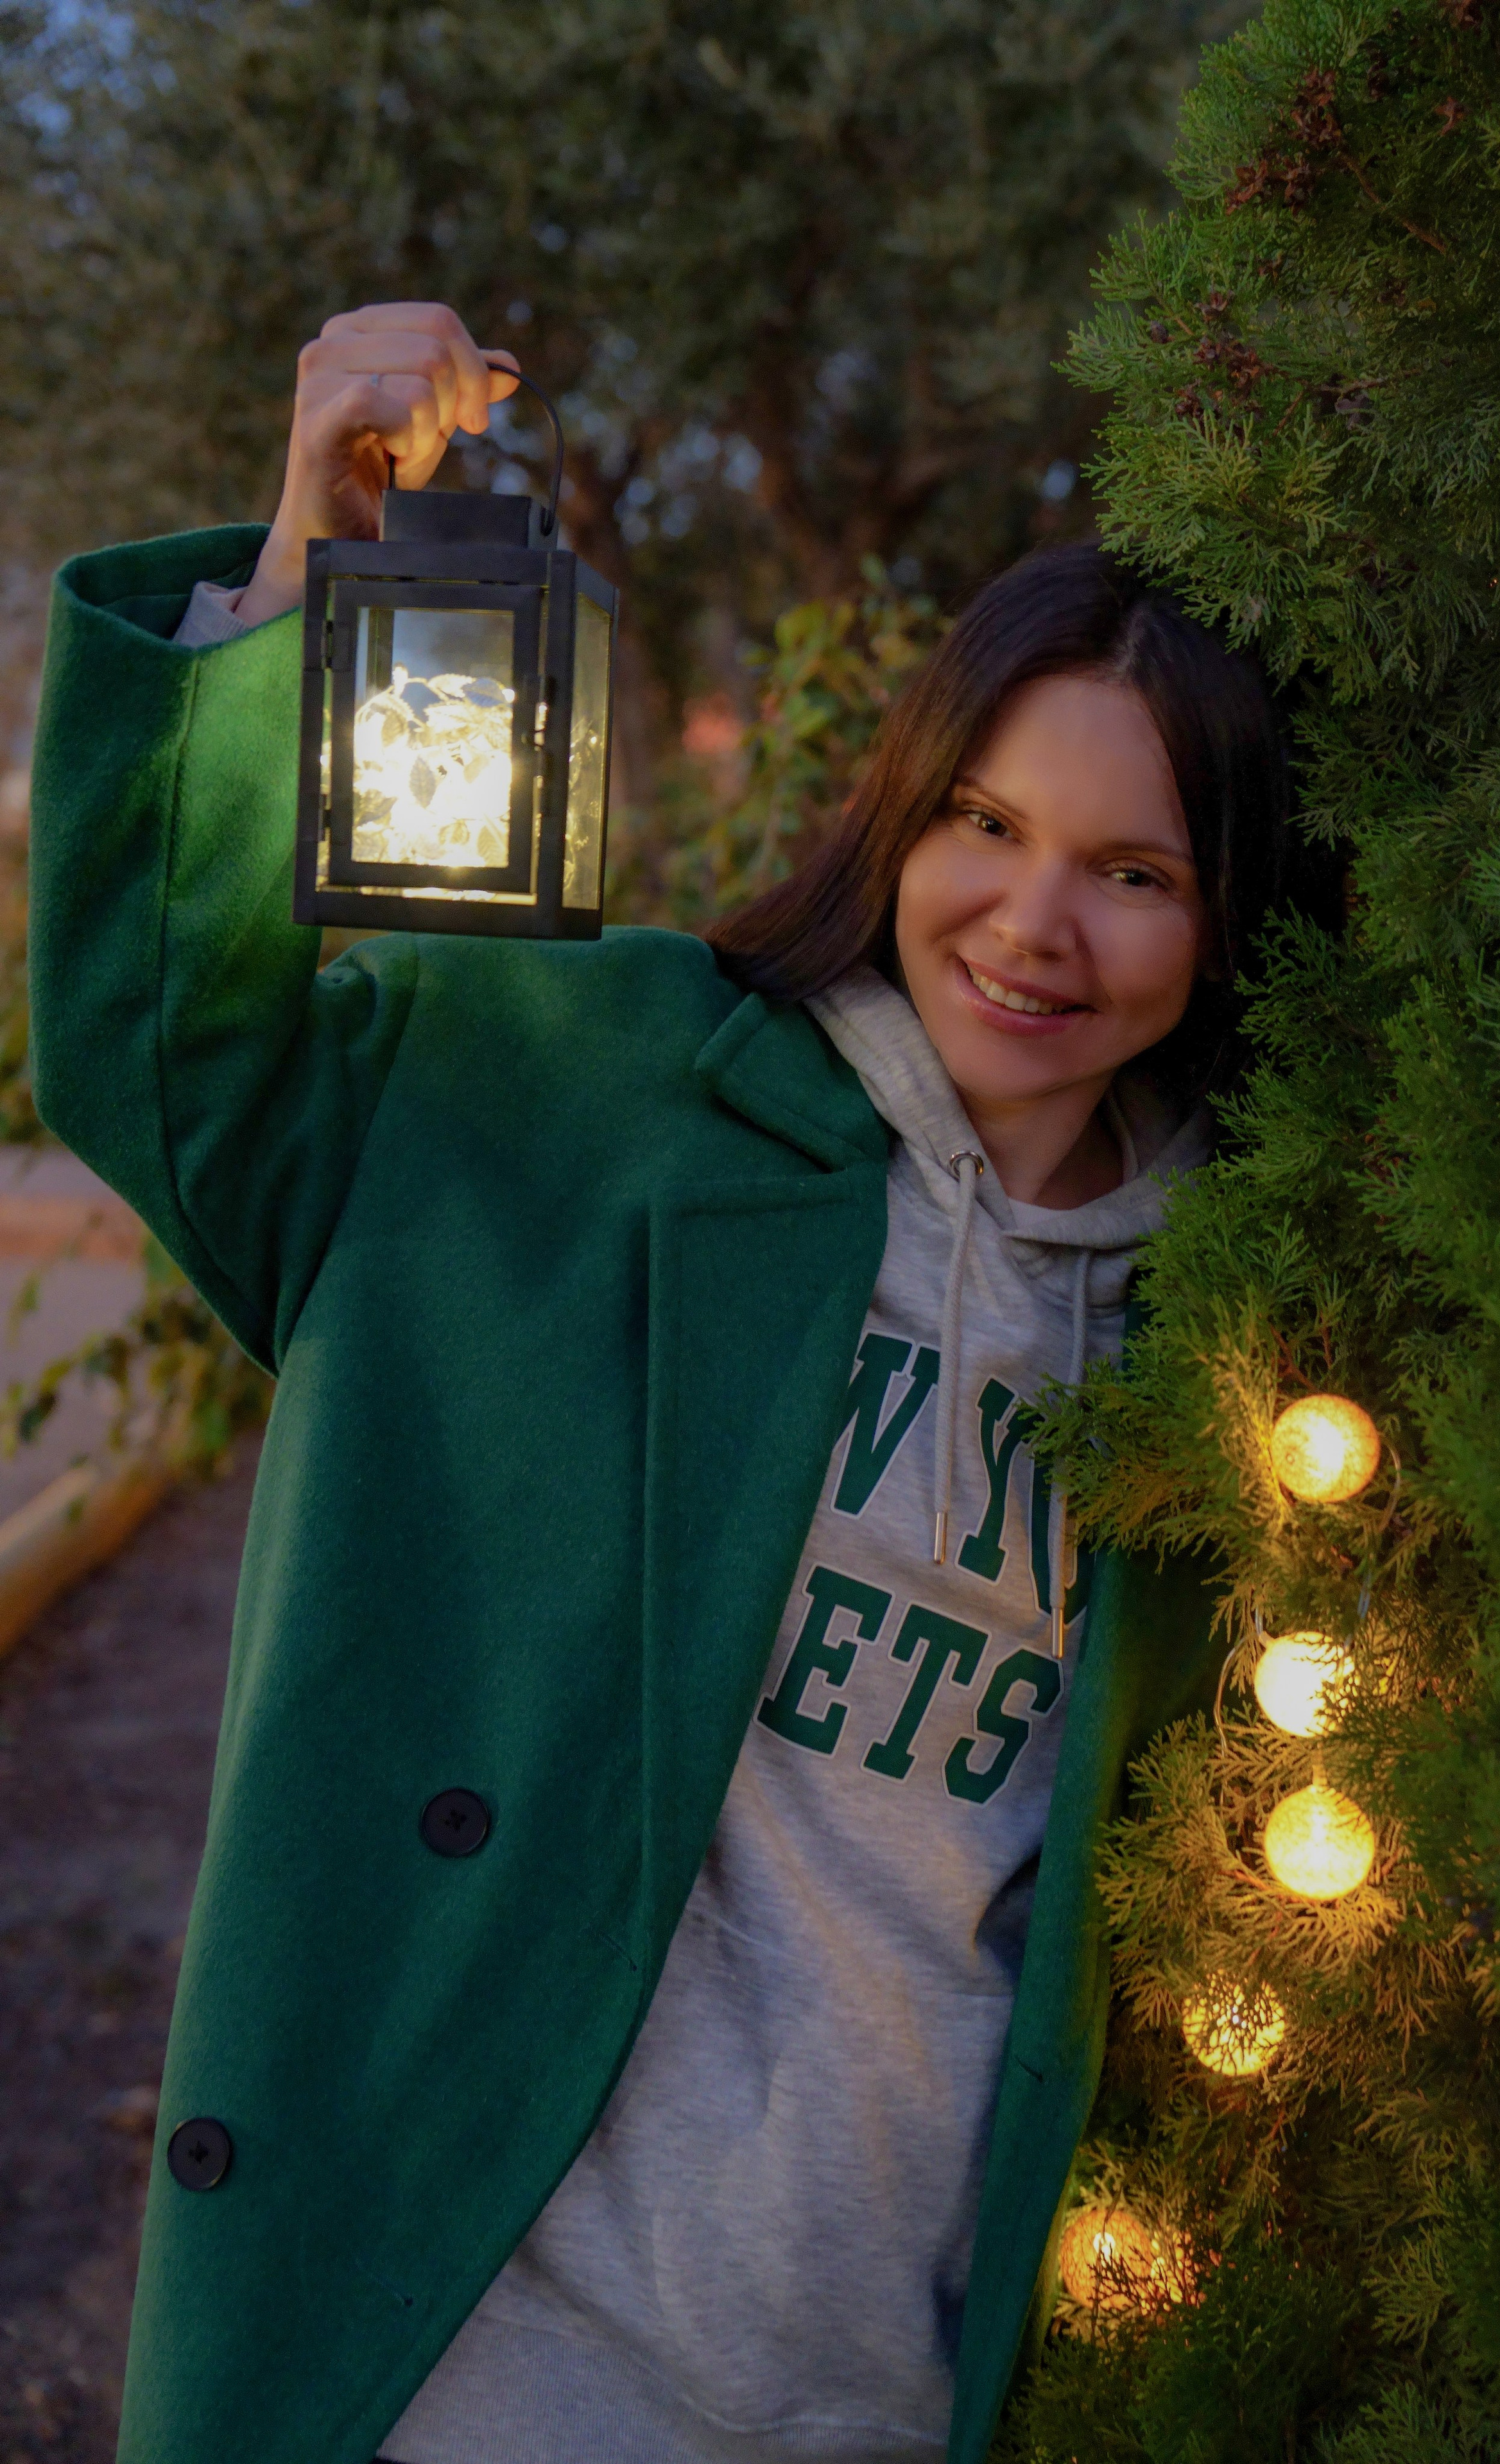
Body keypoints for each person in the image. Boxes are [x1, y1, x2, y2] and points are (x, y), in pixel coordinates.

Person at [28, 303, 1293, 2464]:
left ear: (1225, 919)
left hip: (900, 2378)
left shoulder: (1244, 1354)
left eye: (1137, 871)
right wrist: (296, 578)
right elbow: (177, 1067)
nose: (1031, 924)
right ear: (901, 807)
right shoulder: (603, 1098)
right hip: (488, 2346)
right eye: (984, 822)